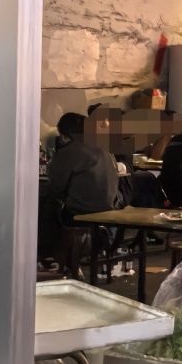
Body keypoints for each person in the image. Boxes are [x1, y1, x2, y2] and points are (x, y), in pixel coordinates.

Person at [38, 112, 120, 267]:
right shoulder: (103, 148)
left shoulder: (70, 150)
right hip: (109, 208)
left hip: (81, 211)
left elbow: (56, 186)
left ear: (64, 133)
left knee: (41, 204)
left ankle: (47, 256)